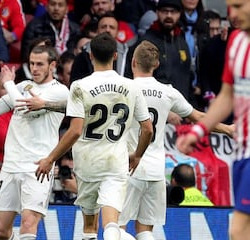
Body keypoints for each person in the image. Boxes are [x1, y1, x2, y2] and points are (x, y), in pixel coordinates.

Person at [35, 32, 153, 240]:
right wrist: (137, 155)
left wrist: (50, 158)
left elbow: (75, 130)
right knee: (111, 223)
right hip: (116, 161)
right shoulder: (131, 86)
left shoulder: (80, 86)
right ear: (115, 56)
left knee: (90, 223)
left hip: (87, 163)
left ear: (90, 56)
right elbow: (147, 129)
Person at [118, 40, 232, 240]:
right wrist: (228, 129)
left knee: (116, 228)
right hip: (156, 172)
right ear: (156, 65)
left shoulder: (123, 88)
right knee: (145, 231)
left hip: (129, 166)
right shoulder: (168, 91)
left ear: (133, 62)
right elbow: (200, 118)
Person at [176, 0, 250, 239]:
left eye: (239, 6)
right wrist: (199, 130)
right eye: (231, 7)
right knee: (238, 230)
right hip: (244, 152)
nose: (232, 14)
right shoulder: (237, 43)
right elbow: (227, 95)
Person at [0, 46, 69, 239]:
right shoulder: (22, 87)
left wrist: (8, 84)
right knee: (1, 231)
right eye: (32, 63)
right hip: (11, 165)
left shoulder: (60, 91)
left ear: (52, 65)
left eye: (40, 64)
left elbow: (25, 108)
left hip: (38, 167)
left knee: (28, 224)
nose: (34, 68)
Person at [124, 0, 194, 107]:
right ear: (157, 13)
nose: (169, 15)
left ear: (180, 14)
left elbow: (187, 78)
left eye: (173, 12)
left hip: (182, 111)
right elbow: (135, 83)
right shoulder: (145, 43)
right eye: (164, 11)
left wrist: (189, 107)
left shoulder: (181, 40)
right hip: (154, 112)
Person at [70, 12, 136, 82]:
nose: (107, 30)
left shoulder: (128, 57)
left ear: (117, 32)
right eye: (103, 27)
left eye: (112, 27)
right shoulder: (83, 57)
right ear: (97, 31)